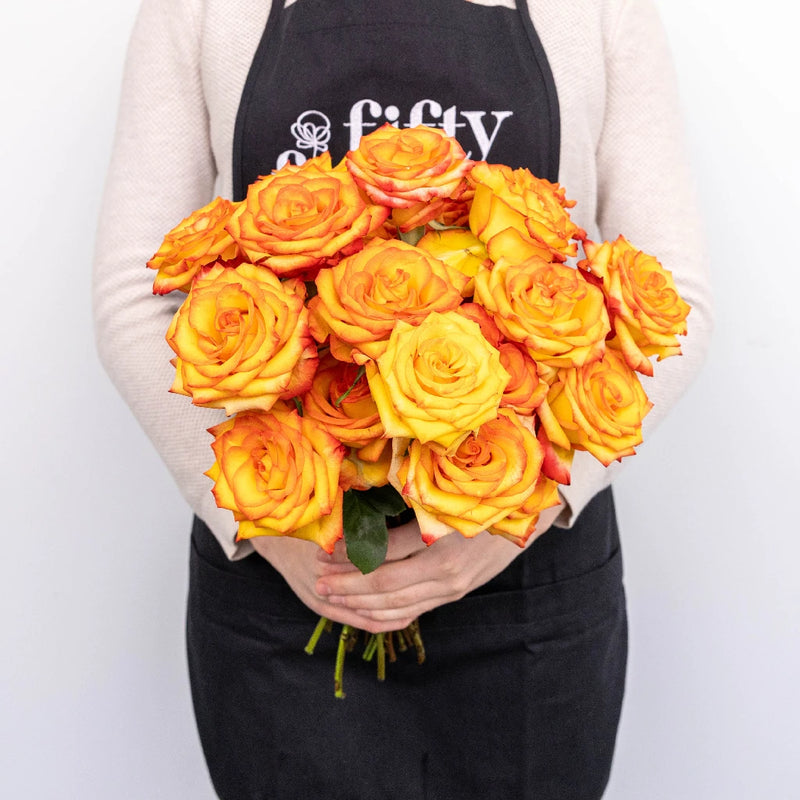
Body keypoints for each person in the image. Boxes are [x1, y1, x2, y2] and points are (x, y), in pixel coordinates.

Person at [93, 0, 713, 797]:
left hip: (528, 591)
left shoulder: (598, 11)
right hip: (289, 589)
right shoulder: (202, 11)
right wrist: (279, 528)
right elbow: (134, 295)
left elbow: (675, 294)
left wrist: (516, 519)